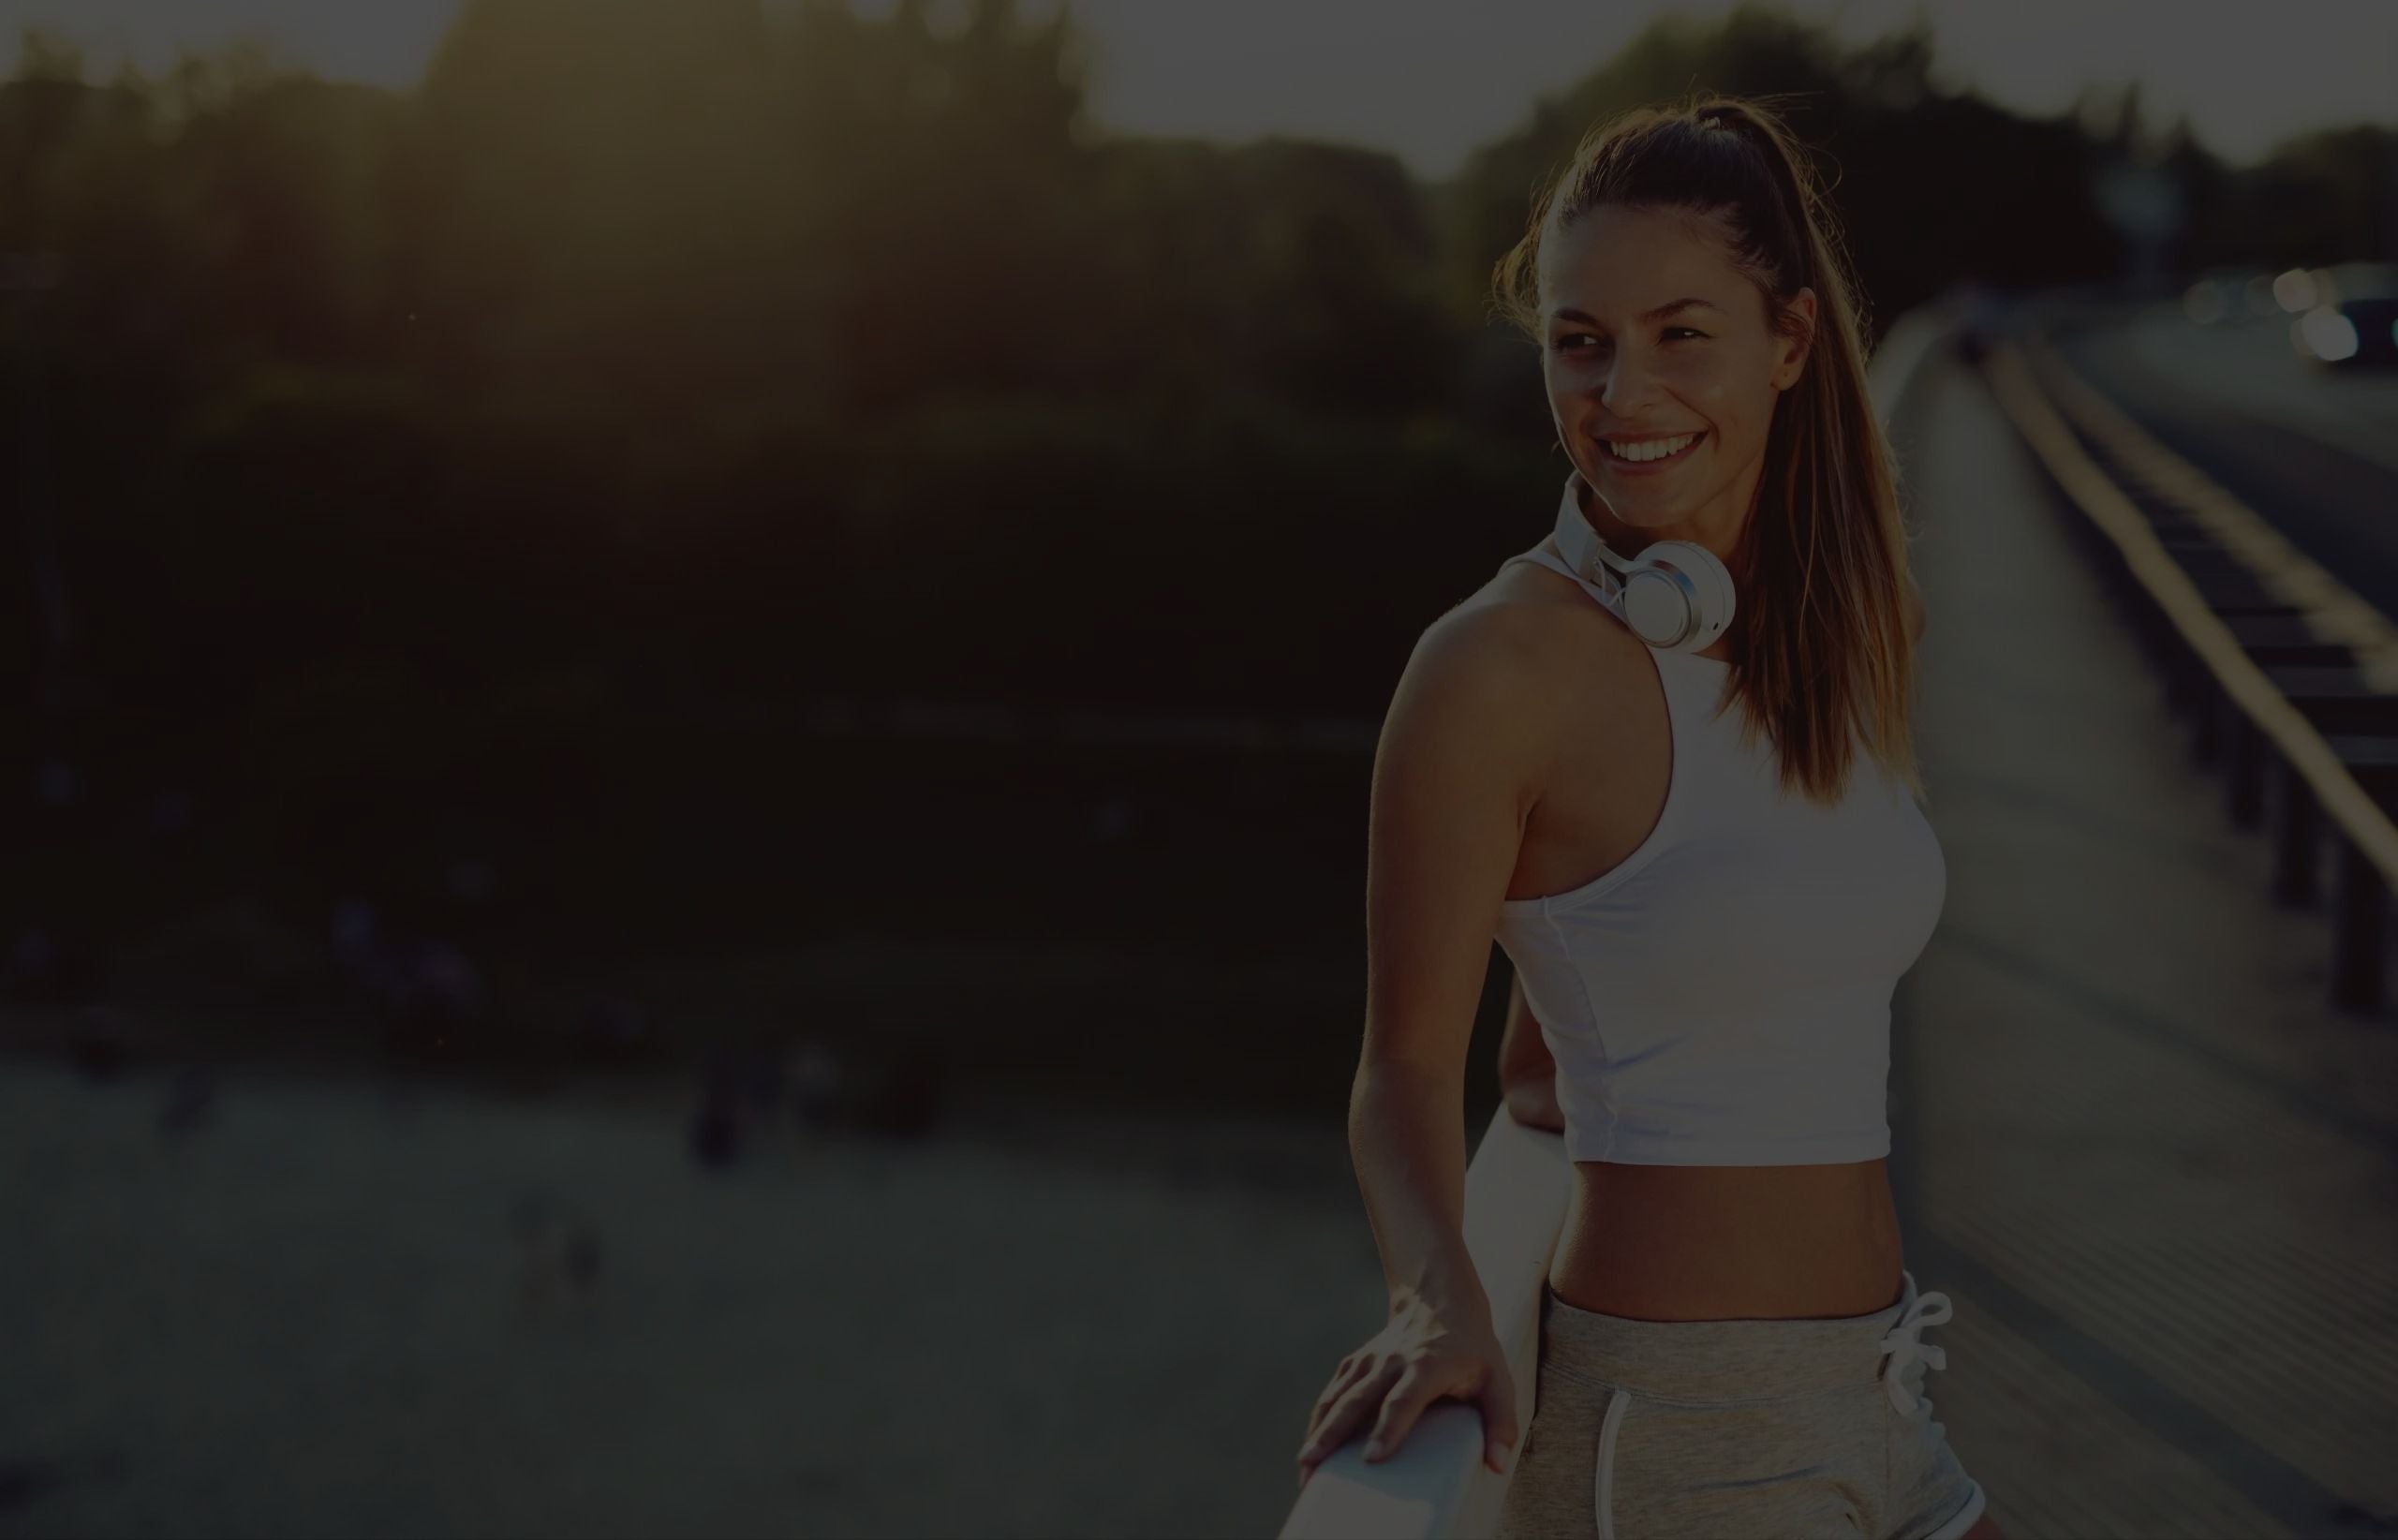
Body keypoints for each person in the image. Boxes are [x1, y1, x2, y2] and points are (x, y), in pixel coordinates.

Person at [1293, 96, 2003, 1540]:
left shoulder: (1867, 632)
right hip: (1681, 1439)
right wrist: (1438, 1297)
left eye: (1683, 333)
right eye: (1580, 341)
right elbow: (1405, 1071)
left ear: (1791, 342)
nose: (1623, 393)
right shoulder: (1495, 671)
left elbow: (1647, 961)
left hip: (1882, 1392)